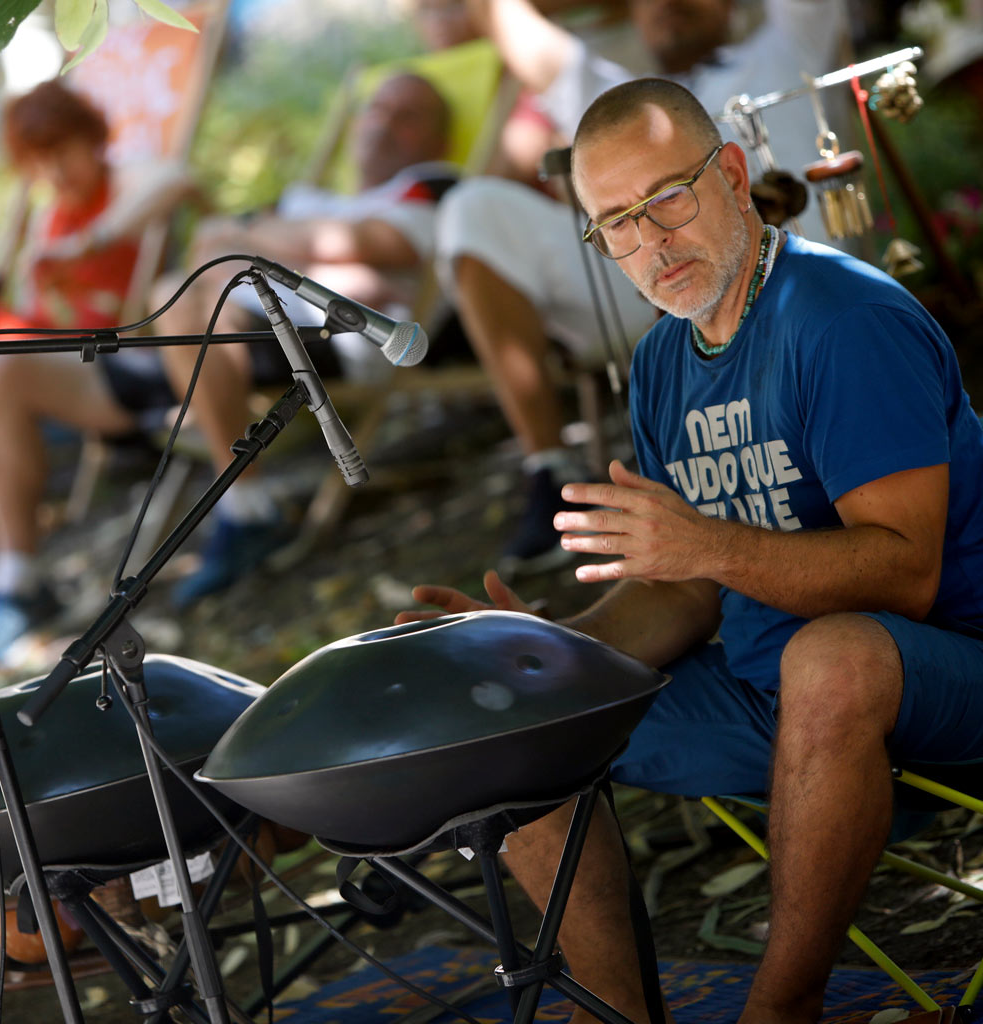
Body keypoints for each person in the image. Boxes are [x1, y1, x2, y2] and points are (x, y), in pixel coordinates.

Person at [398, 78, 983, 1024]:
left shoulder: (838, 320)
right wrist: (539, 648)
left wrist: (706, 542)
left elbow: (904, 574)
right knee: (522, 716)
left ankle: (779, 1011)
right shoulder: (667, 361)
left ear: (735, 176)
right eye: (615, 225)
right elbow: (688, 591)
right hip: (771, 696)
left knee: (828, 658)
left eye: (667, 198)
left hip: (939, 678)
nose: (650, 244)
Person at [437, 0, 848, 576]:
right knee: (471, 207)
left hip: (795, 296)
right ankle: (549, 468)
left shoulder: (785, 45)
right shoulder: (618, 102)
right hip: (653, 294)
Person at [147, 70, 456, 608]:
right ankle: (246, 502)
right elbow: (212, 243)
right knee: (175, 291)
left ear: (440, 137)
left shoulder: (430, 185)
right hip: (274, 314)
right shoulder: (314, 201)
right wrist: (300, 255)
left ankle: (246, 507)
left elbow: (377, 250)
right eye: (377, 110)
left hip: (344, 339)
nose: (384, 125)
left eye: (408, 116)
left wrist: (250, 241)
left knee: (193, 302)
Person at [0, 79, 194, 657]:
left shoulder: (128, 180)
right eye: (39, 161)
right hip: (64, 362)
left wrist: (91, 241)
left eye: (60, 152)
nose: (54, 172)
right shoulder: (49, 215)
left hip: (128, 368)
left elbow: (179, 182)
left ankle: (11, 576)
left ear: (90, 138)